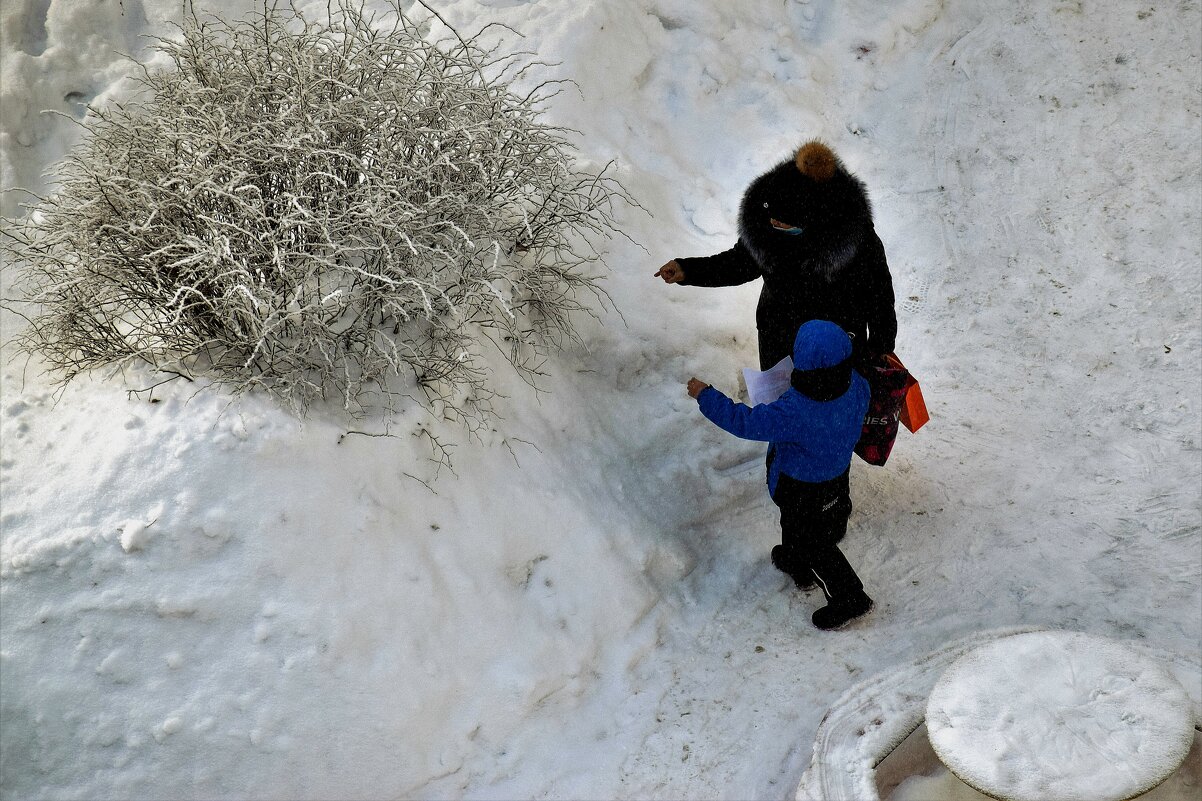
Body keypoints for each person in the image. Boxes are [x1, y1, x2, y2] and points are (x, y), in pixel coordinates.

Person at [686, 320, 873, 630]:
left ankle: (851, 597)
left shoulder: (794, 411)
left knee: (816, 543)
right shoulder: (857, 385)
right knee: (797, 525)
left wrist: (706, 395)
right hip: (835, 473)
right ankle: (795, 562)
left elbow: (744, 422)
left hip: (800, 485)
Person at [656, 140, 896, 370]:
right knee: (779, 406)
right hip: (779, 340)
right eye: (772, 221)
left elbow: (879, 294)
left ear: (811, 222)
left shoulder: (854, 236)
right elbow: (738, 263)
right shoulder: (769, 218)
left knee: (824, 407)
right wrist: (687, 270)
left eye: (782, 224)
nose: (774, 226)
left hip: (834, 344)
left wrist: (881, 346)